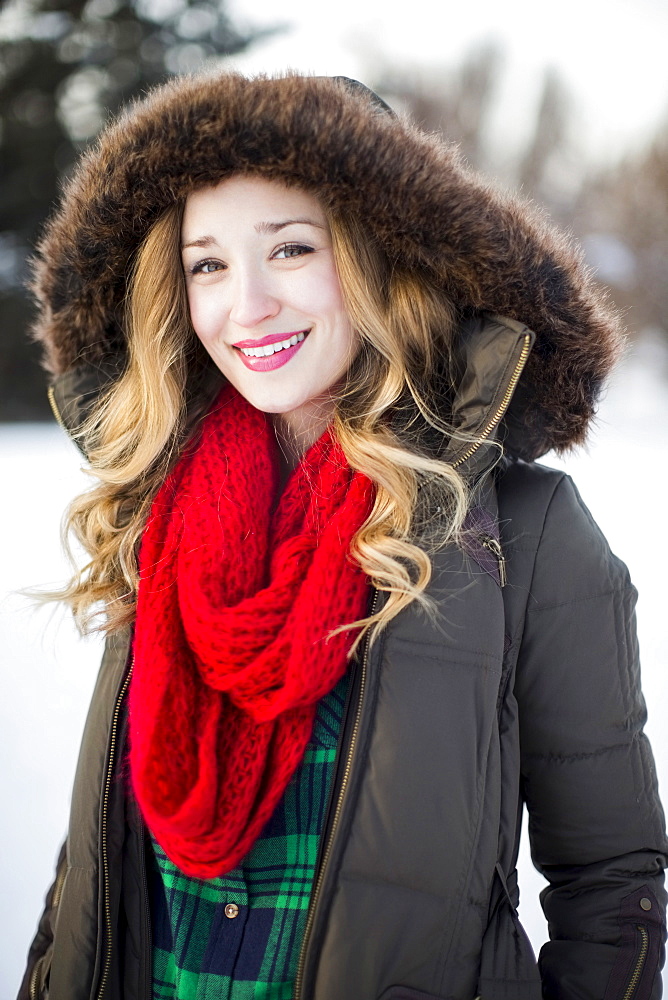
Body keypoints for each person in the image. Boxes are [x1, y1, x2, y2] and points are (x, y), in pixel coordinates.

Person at [19, 72, 667, 1000]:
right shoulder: (156, 515)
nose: (245, 307)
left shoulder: (522, 538)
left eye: (289, 249)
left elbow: (611, 890)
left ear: (375, 260)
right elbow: (95, 858)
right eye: (207, 264)